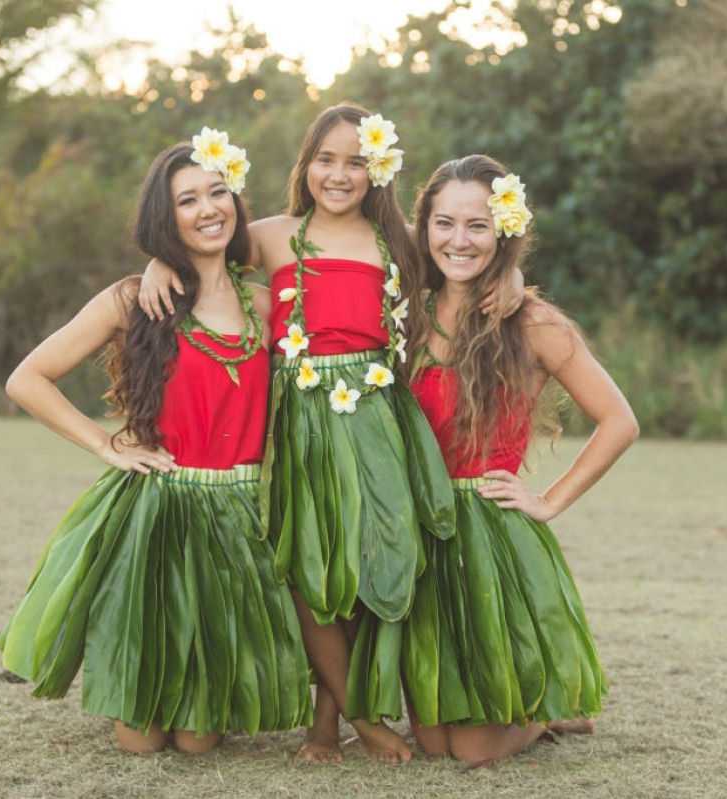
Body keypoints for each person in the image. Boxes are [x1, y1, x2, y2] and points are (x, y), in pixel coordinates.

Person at [139, 103, 518, 763]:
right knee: (311, 572)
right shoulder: (271, 234)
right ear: (305, 164)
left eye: (356, 161)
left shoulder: (397, 236)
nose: (339, 174)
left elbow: (463, 261)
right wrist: (151, 265)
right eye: (325, 158)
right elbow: (200, 248)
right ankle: (349, 720)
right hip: (298, 420)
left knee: (369, 564)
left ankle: (332, 719)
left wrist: (509, 272)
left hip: (375, 418)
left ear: (380, 169)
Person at [0, 135, 312, 754]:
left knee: (198, 743)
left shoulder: (269, 304)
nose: (207, 209)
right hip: (157, 511)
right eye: (186, 201)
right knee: (139, 742)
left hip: (236, 516)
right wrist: (106, 444)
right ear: (164, 219)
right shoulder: (134, 298)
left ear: (235, 201)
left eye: (217, 192)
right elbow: (26, 379)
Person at [400, 154, 640, 765]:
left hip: (489, 533)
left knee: (474, 751)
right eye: (444, 223)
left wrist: (548, 500)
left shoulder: (533, 322)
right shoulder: (402, 313)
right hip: (419, 527)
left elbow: (620, 422)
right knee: (432, 742)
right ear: (423, 227)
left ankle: (547, 717)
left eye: (478, 226)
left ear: (504, 230)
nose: (459, 240)